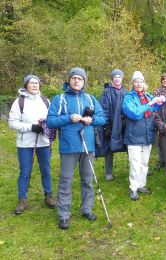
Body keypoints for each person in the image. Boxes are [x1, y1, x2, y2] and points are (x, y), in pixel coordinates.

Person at [47, 67, 105, 230]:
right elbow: (50, 121)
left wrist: (91, 120)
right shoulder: (60, 99)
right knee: (66, 180)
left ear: (84, 81)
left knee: (87, 179)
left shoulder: (90, 98)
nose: (77, 81)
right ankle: (64, 214)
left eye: (80, 78)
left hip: (89, 146)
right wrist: (68, 118)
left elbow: (102, 118)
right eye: (74, 78)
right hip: (69, 146)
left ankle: (87, 209)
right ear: (69, 80)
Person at [8, 75, 56, 215]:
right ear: (26, 85)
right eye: (32, 83)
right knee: (25, 171)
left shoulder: (46, 101)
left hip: (44, 142)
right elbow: (12, 122)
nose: (35, 85)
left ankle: (48, 196)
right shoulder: (19, 101)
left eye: (37, 83)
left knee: (46, 170)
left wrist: (45, 124)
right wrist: (31, 127)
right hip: (25, 143)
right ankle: (22, 199)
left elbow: (52, 119)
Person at [122, 71, 165, 201]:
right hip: (134, 136)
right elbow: (135, 114)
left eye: (141, 81)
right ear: (132, 83)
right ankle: (133, 188)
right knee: (135, 163)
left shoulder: (147, 96)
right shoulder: (128, 98)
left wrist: (161, 100)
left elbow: (158, 106)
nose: (139, 83)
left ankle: (141, 185)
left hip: (147, 135)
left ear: (144, 83)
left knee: (144, 163)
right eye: (136, 81)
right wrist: (150, 105)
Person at [95, 69, 127, 181]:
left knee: (129, 147)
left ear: (122, 78)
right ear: (112, 79)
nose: (117, 79)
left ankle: (136, 170)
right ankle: (108, 172)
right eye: (115, 77)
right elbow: (104, 108)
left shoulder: (125, 91)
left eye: (119, 77)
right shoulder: (107, 91)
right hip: (111, 124)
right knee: (109, 148)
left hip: (123, 124)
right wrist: (106, 125)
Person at [153, 72, 166, 171]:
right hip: (159, 117)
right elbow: (152, 104)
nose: (165, 80)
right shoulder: (157, 91)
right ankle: (161, 160)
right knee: (160, 142)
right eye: (163, 79)